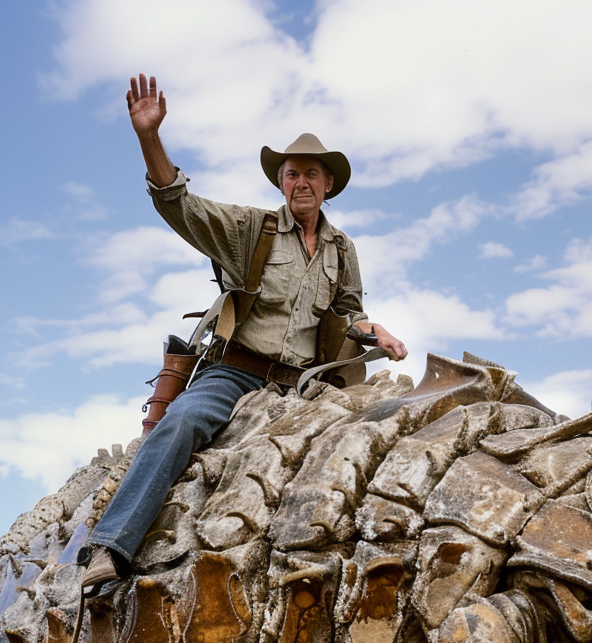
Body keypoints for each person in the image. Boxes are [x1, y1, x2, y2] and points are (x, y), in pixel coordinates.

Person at [81, 74, 407, 588]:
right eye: (292, 173)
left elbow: (348, 313)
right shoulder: (250, 230)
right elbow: (178, 204)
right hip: (235, 371)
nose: (301, 182)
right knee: (182, 423)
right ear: (282, 183)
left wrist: (375, 331)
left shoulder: (343, 251)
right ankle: (112, 548)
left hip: (300, 387)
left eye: (312, 174)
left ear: (328, 186)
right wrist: (150, 138)